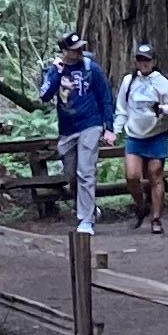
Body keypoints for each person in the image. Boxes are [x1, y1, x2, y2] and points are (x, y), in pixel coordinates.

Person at [38, 29, 114, 233]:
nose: (79, 51)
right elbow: (44, 95)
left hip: (90, 124)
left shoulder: (92, 69)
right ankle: (88, 208)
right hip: (67, 129)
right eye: (74, 49)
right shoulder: (54, 70)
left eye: (81, 47)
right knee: (72, 174)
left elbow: (105, 97)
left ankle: (86, 220)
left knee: (86, 172)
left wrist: (109, 127)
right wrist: (56, 72)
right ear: (64, 51)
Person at [114, 40, 168, 226]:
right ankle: (141, 205)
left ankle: (156, 218)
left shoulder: (162, 82)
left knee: (155, 175)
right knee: (132, 176)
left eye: (147, 60)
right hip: (134, 136)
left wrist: (163, 109)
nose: (144, 63)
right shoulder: (129, 82)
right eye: (140, 59)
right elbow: (122, 108)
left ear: (154, 61)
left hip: (156, 135)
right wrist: (115, 130)